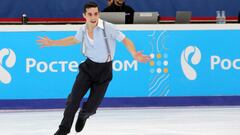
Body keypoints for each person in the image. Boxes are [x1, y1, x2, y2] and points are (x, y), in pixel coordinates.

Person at [37, 2, 150, 135]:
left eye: (96, 13)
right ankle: (63, 129)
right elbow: (73, 40)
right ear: (84, 15)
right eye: (90, 14)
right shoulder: (83, 29)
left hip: (104, 71)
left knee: (92, 107)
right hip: (87, 68)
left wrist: (134, 53)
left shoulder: (109, 28)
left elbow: (125, 40)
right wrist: (53, 43)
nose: (93, 17)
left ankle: (84, 114)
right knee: (73, 99)